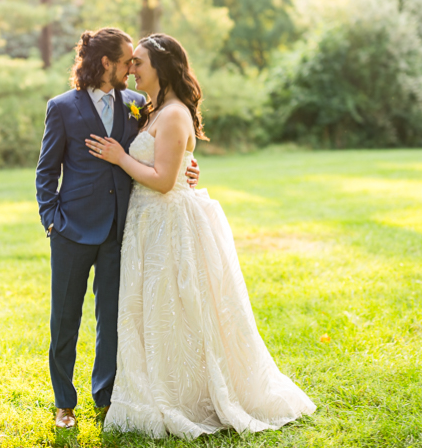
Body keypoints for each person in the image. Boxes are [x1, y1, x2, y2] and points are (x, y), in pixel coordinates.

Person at [85, 33, 316, 439]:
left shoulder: (173, 114)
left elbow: (161, 180)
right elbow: (172, 162)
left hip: (168, 224)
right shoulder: (151, 111)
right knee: (156, 310)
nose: (131, 70)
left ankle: (188, 395)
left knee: (178, 307)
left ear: (161, 66)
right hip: (147, 224)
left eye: (138, 62)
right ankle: (158, 383)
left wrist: (120, 157)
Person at [34, 27, 200, 429]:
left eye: (135, 62)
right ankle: (64, 402)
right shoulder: (62, 107)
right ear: (105, 63)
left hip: (120, 230)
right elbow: (46, 171)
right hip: (72, 230)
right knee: (65, 320)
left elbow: (164, 147)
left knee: (111, 318)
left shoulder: (138, 104)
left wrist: (187, 169)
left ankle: (105, 396)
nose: (132, 68)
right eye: (127, 61)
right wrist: (52, 220)